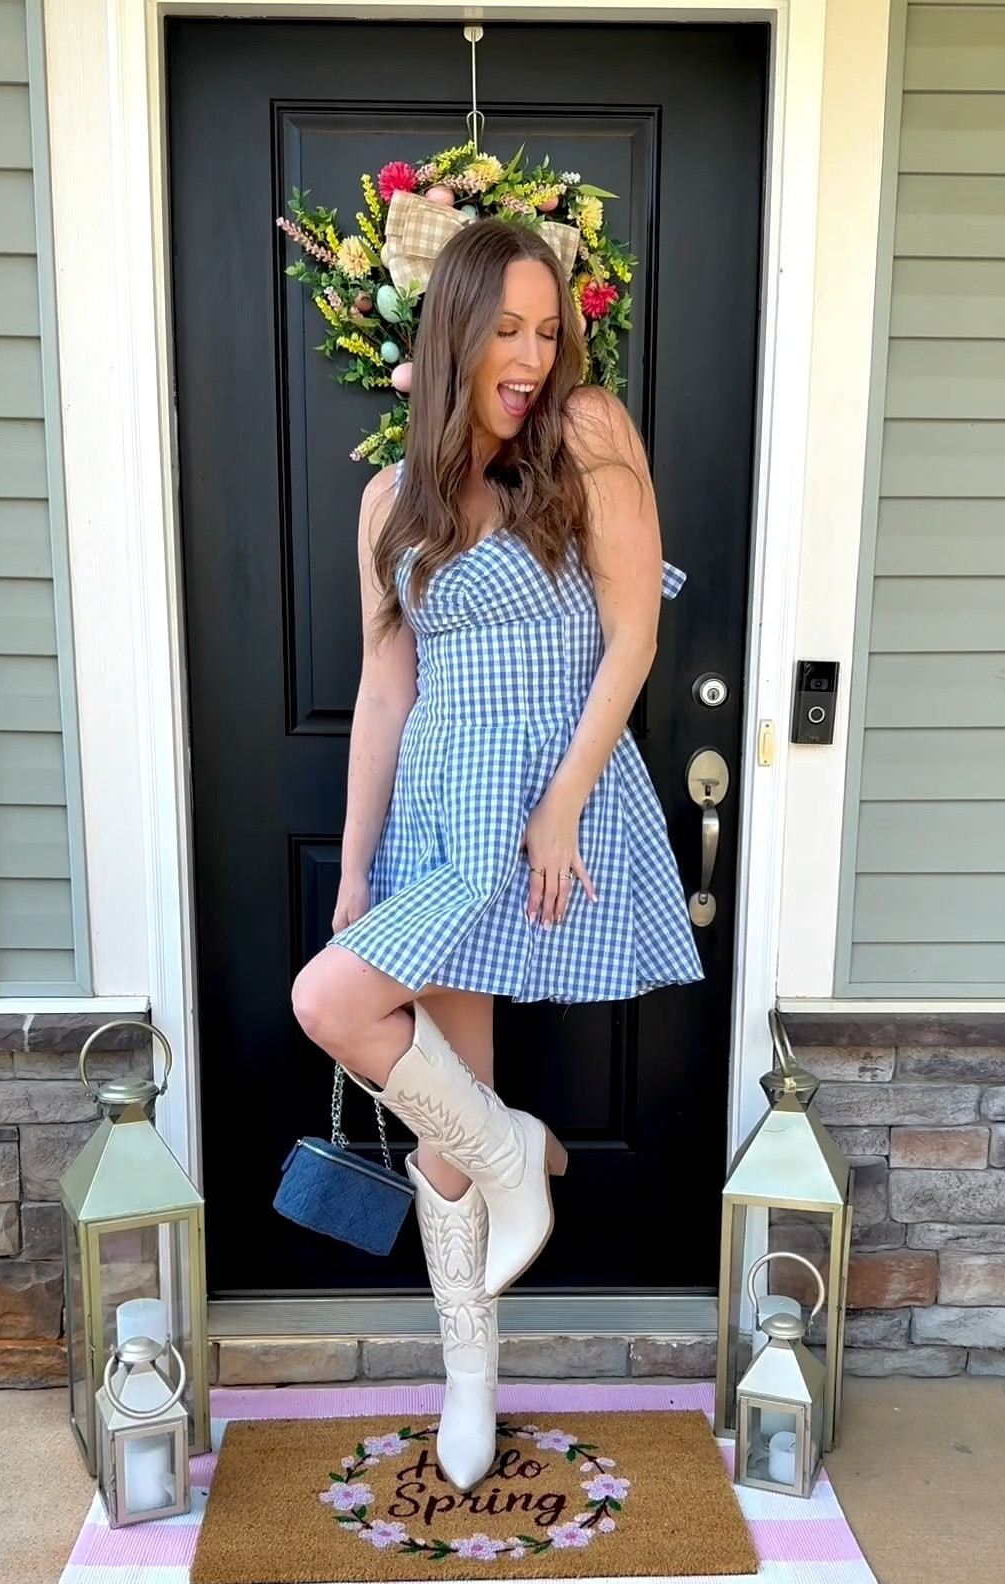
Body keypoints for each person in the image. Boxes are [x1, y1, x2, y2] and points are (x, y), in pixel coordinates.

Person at [292, 217, 701, 1492]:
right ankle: (473, 1358)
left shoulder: (587, 432)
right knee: (435, 1113)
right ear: (454, 333)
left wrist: (564, 803)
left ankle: (515, 1163)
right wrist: (355, 871)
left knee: (341, 1020)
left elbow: (632, 636)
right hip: (437, 810)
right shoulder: (391, 500)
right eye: (507, 330)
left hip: (537, 796)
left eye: (548, 330)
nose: (530, 356)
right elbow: (383, 692)